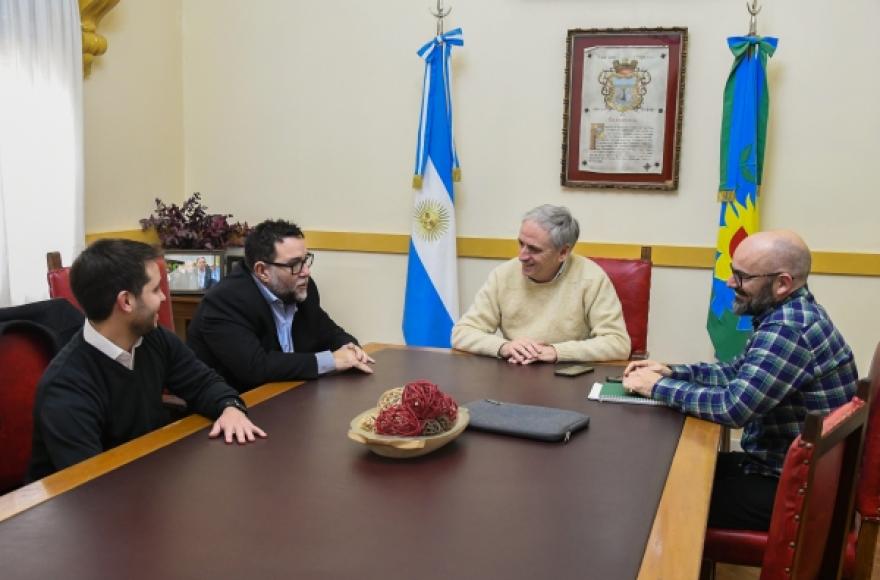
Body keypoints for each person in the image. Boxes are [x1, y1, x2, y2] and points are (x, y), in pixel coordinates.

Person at [623, 230, 858, 531]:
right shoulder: (789, 313)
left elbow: (733, 408)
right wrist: (672, 372)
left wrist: (656, 387)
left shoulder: (788, 329)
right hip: (790, 473)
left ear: (782, 283)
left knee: (659, 497)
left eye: (742, 276)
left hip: (796, 492)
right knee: (663, 473)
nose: (730, 283)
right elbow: (735, 373)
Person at [28, 239, 266, 481]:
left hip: (148, 479)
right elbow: (92, 486)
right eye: (155, 290)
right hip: (85, 506)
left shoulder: (153, 338)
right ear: (126, 301)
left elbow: (204, 383)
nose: (163, 297)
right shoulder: (65, 387)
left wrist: (230, 407)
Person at [187, 219, 373, 392]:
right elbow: (256, 367)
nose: (306, 272)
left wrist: (351, 348)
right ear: (262, 271)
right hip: (233, 408)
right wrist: (331, 360)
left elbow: (329, 331)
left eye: (306, 260)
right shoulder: (225, 301)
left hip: (290, 398)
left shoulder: (301, 288)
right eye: (295, 264)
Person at [452, 205, 630, 364]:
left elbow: (618, 343)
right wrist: (504, 347)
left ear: (563, 252)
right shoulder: (503, 275)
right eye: (521, 243)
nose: (522, 256)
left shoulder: (592, 278)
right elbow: (462, 333)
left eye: (534, 249)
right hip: (516, 372)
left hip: (570, 376)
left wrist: (556, 352)